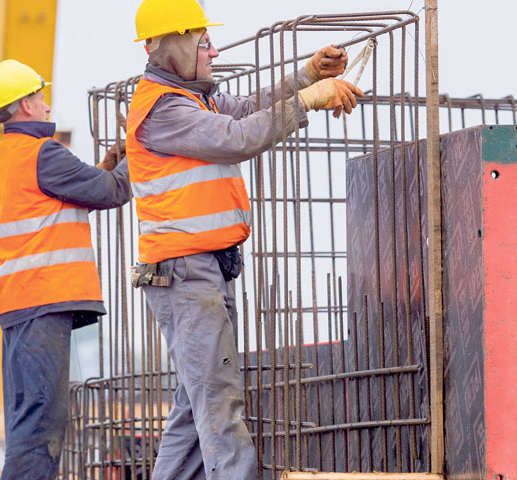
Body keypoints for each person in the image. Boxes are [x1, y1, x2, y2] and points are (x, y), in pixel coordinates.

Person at [125, 1, 363, 479]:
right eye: (202, 40)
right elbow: (238, 137)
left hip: (200, 271)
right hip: (185, 274)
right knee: (218, 408)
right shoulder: (164, 109)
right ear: (169, 45)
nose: (212, 50)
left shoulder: (195, 98)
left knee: (196, 412)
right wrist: (311, 99)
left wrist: (305, 77)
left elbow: (250, 110)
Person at [0, 59, 132, 480]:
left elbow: (64, 197)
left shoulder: (6, 158)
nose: (46, 104)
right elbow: (115, 190)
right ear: (26, 104)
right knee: (40, 428)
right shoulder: (43, 153)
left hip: (20, 308)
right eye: (40, 96)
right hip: (43, 303)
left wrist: (105, 165)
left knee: (27, 423)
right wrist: (140, 145)